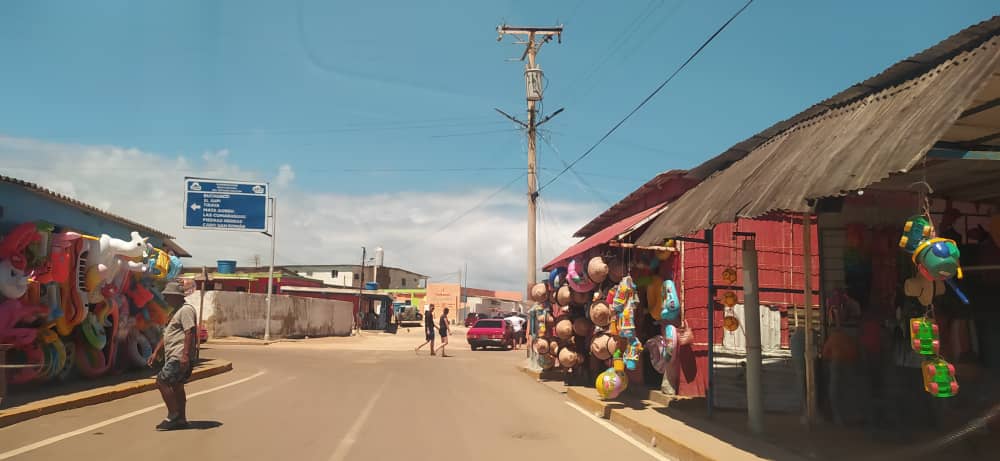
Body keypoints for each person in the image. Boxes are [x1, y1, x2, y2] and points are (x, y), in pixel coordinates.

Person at [148, 281, 199, 431]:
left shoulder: (186, 310)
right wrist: (156, 351)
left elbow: (190, 332)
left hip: (179, 355)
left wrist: (185, 355)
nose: (165, 299)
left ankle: (173, 415)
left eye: (168, 296)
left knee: (161, 381)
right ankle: (181, 419)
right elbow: (168, 334)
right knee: (177, 386)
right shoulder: (175, 312)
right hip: (173, 355)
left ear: (176, 296)